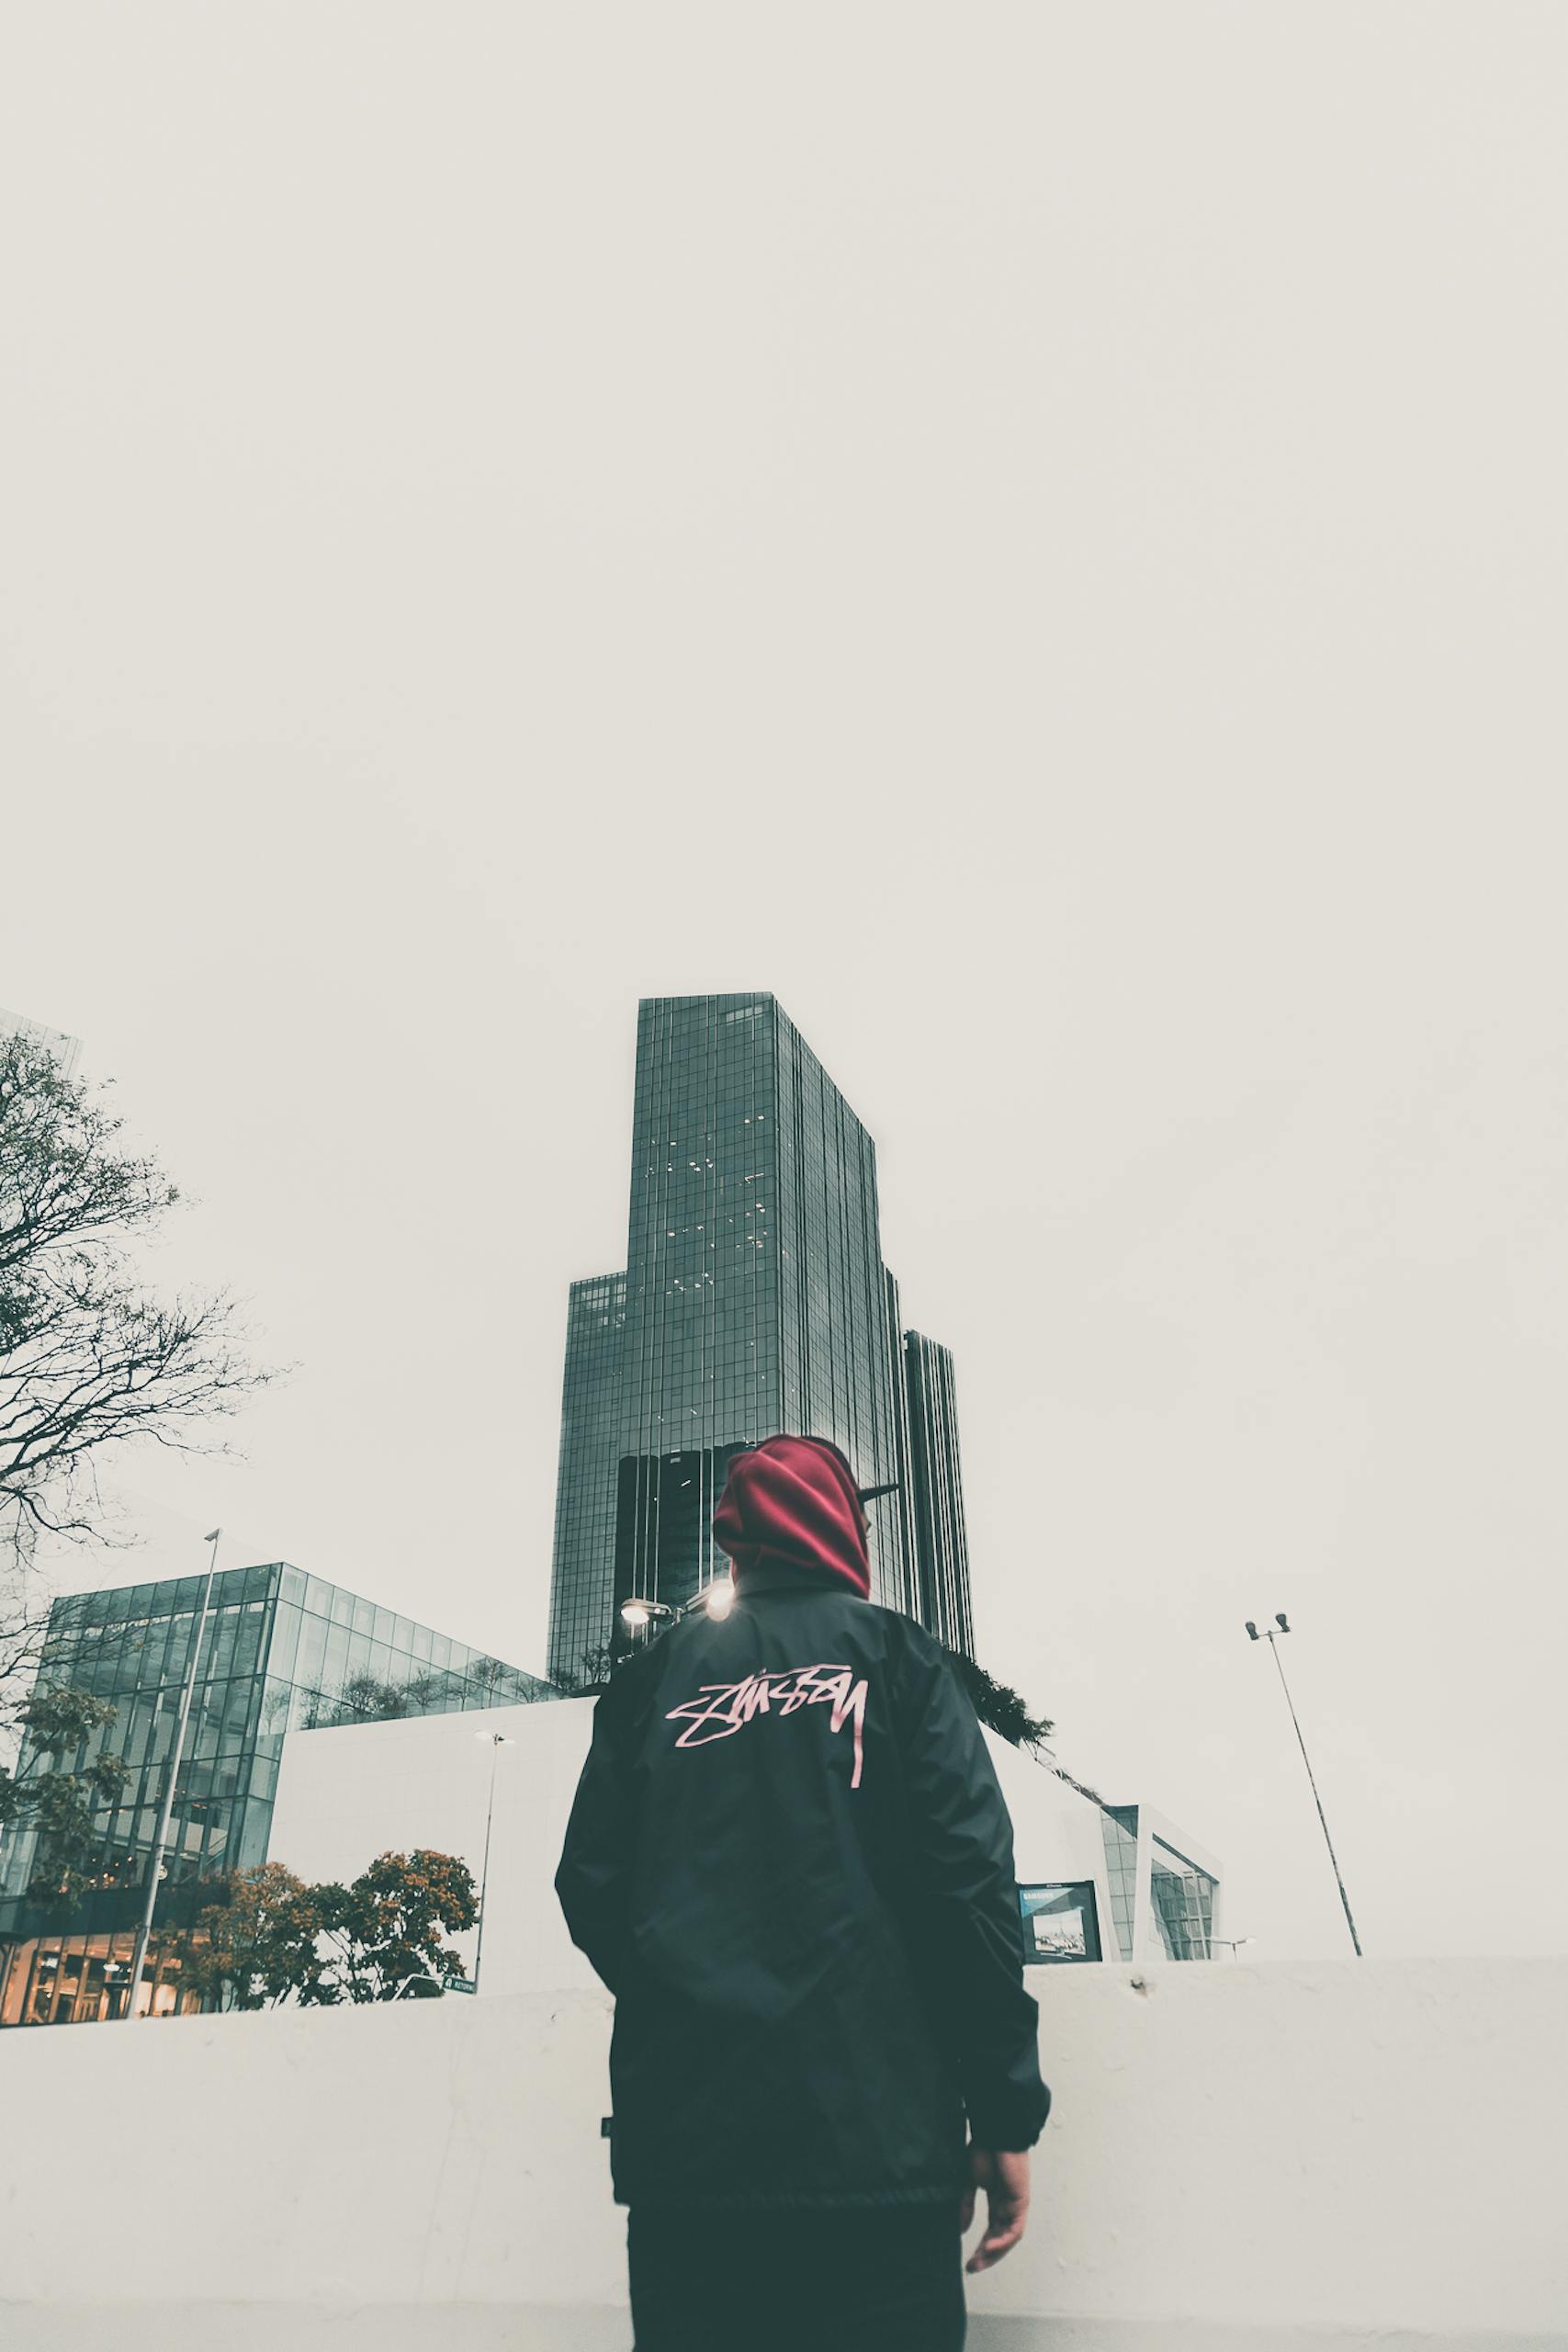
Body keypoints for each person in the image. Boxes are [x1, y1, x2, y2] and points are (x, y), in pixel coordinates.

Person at [555, 1431, 1052, 2350]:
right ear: (845, 1529)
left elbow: (589, 1882)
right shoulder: (900, 1659)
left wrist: (688, 1988)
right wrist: (1003, 2110)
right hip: (879, 2146)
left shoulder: (651, 1678)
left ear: (736, 1536)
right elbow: (972, 1893)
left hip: (690, 2157)